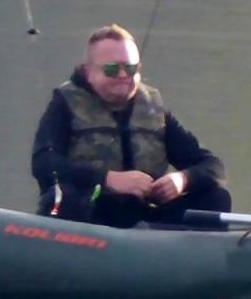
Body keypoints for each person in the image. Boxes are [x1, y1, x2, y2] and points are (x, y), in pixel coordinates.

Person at [31, 24, 231, 228]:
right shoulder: (65, 103)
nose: (123, 75)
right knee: (62, 197)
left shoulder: (152, 108)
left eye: (130, 68)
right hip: (92, 211)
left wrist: (183, 179)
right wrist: (108, 179)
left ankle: (177, 250)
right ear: (88, 72)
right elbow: (44, 163)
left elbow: (212, 165)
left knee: (216, 196)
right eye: (111, 69)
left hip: (145, 214)